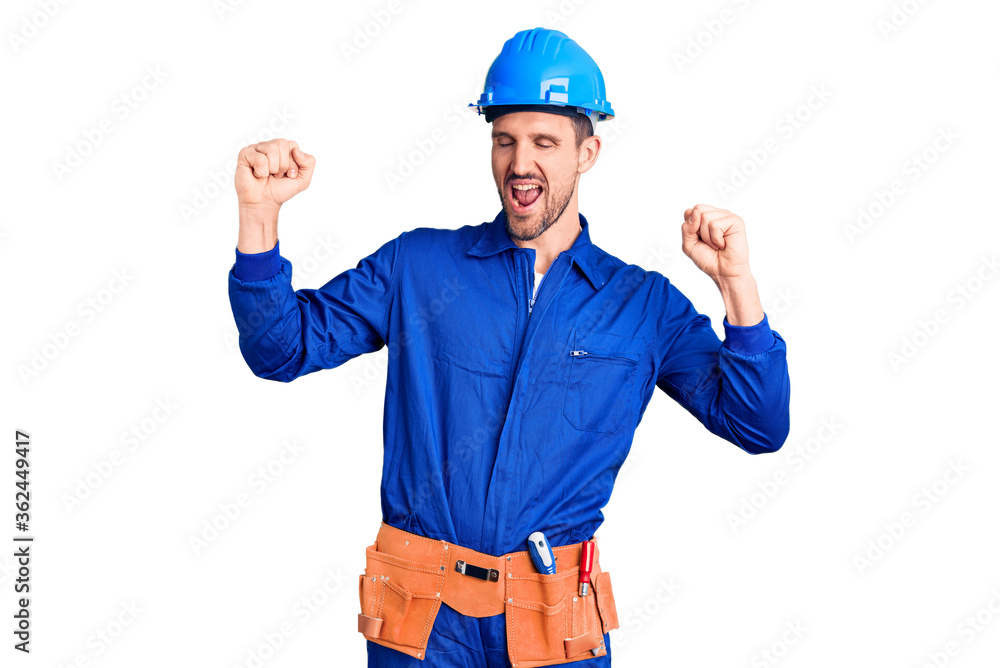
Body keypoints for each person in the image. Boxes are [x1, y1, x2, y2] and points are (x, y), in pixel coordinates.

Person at [228, 26, 790, 668]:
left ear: (588, 152)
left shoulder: (643, 306)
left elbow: (758, 426)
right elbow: (279, 349)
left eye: (544, 142)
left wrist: (737, 286)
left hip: (555, 628)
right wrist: (259, 217)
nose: (520, 164)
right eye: (505, 140)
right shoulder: (419, 267)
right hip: (421, 623)